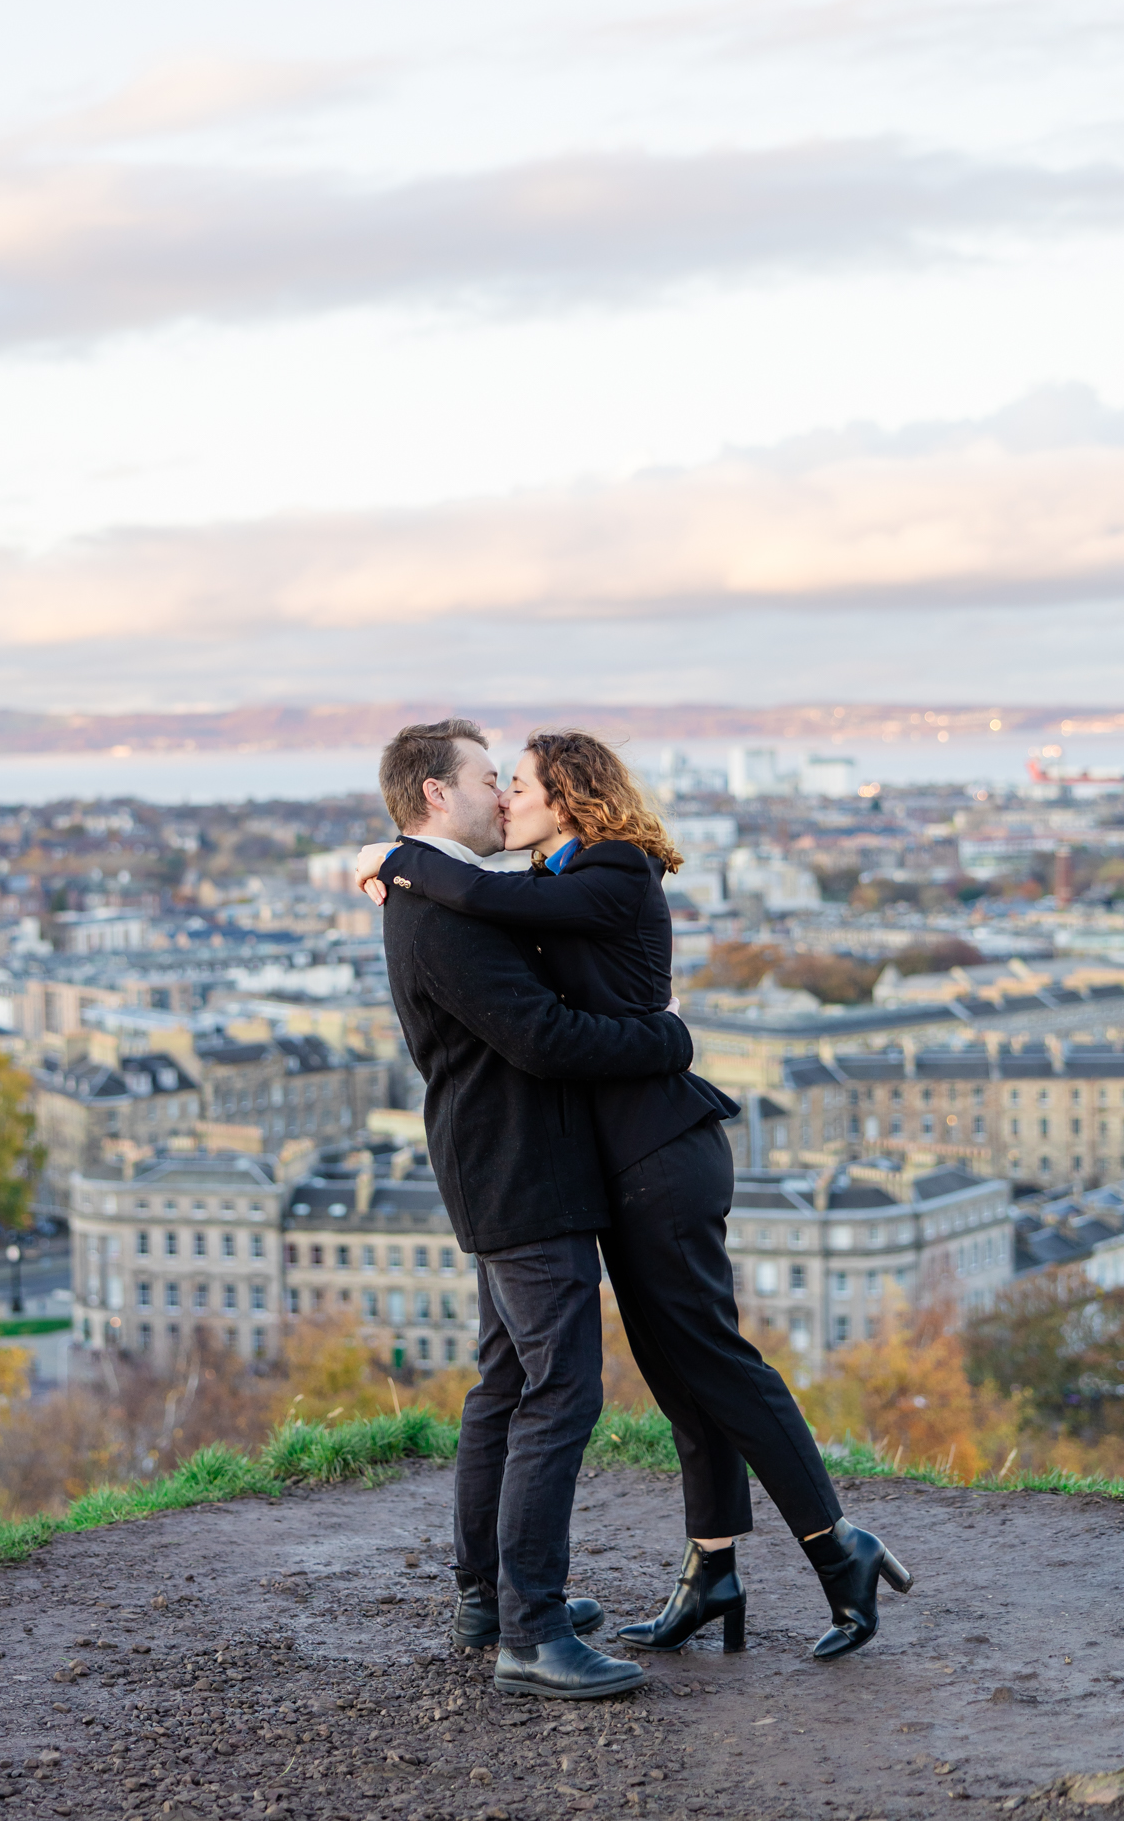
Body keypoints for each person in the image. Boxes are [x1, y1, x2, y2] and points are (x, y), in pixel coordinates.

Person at [359, 727, 913, 1662]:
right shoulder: (548, 882)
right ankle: (712, 1568)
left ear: (568, 796)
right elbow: (485, 898)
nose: (503, 800)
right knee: (677, 1370)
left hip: (661, 1147)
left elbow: (473, 893)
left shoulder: (614, 869)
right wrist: (398, 860)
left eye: (518, 784)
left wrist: (394, 858)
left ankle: (835, 1545)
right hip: (620, 1159)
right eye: (494, 784)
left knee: (710, 1357)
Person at [376, 717, 697, 1700]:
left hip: (499, 1161)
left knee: (509, 1381)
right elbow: (544, 1036)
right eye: (486, 777)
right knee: (561, 1389)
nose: (500, 795)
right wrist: (664, 1039)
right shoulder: (445, 907)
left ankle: (492, 1595)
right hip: (522, 1170)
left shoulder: (428, 892)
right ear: (439, 794)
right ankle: (532, 1627)